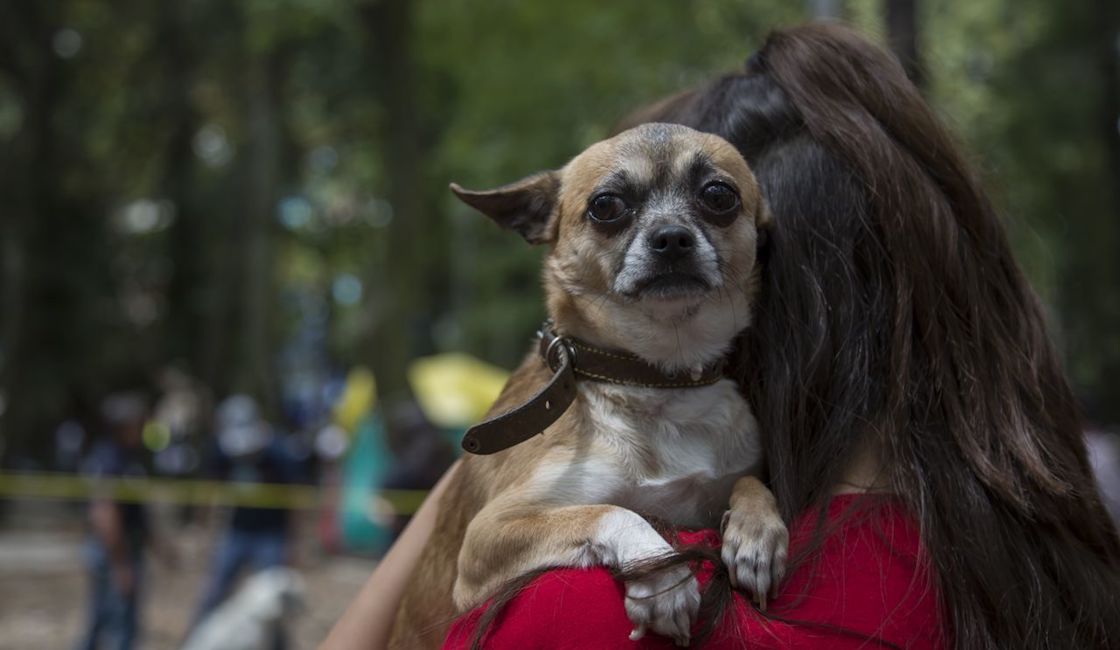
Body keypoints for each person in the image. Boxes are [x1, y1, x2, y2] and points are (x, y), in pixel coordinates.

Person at [321, 23, 1120, 650]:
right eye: (613, 208)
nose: (668, 234)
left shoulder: (580, 618)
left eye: (712, 201)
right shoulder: (1049, 555)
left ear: (771, 275)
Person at [190, 394, 303, 650]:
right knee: (215, 590)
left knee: (273, 602)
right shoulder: (220, 450)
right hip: (237, 531)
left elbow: (297, 499)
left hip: (272, 533)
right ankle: (195, 640)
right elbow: (209, 487)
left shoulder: (280, 453)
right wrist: (201, 526)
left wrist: (292, 542)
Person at [76, 393, 156, 650]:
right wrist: (121, 564)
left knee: (101, 620)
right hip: (114, 552)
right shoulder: (110, 458)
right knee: (119, 627)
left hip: (121, 549)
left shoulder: (127, 457)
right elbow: (104, 515)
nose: (143, 426)